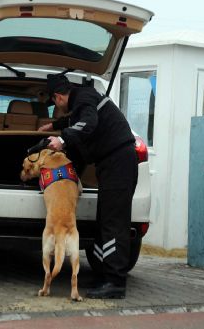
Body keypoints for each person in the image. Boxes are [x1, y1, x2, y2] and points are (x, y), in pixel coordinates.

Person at [39, 73, 137, 299]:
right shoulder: (83, 98)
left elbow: (88, 122)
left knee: (114, 222)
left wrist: (62, 140)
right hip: (111, 163)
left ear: (58, 97)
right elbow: (77, 119)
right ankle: (104, 275)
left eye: (53, 103)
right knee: (104, 219)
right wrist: (55, 124)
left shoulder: (83, 99)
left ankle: (115, 283)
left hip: (119, 162)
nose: (56, 106)